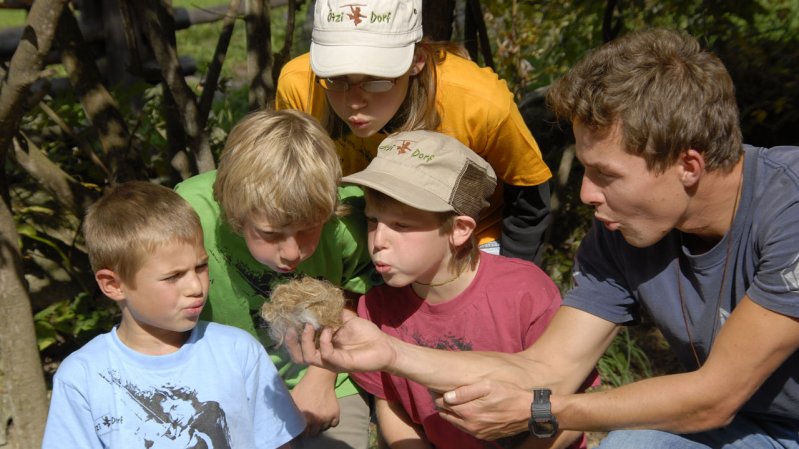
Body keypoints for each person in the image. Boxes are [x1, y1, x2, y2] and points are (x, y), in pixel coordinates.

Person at [285, 28, 799, 449]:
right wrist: (390, 353)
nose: (587, 194)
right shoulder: (618, 234)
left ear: (688, 165)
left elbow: (716, 395)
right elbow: (544, 367)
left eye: (606, 174)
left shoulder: (788, 207)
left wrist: (547, 408)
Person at [337, 129, 596, 449]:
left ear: (459, 230)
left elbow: (569, 406)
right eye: (373, 220)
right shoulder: (376, 309)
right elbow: (391, 406)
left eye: (401, 225)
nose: (378, 242)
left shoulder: (525, 293)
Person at [275, 0, 553, 264]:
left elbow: (528, 198)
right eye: (336, 79)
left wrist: (512, 281)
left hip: (468, 238)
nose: (355, 101)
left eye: (376, 80)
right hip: (357, 231)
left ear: (416, 60)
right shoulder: (300, 86)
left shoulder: (479, 102)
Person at [42, 181, 305, 449]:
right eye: (174, 276)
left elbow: (281, 442)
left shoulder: (239, 352)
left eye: (201, 267)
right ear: (114, 285)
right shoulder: (83, 376)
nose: (196, 287)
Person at [175, 109, 376, 449]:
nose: (292, 252)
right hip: (220, 385)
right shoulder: (189, 217)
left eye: (309, 230)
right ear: (234, 212)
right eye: (270, 234)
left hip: (326, 376)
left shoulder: (346, 221)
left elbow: (369, 301)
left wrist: (322, 376)